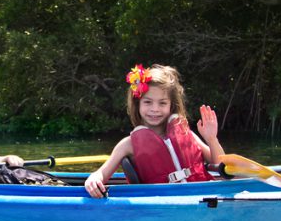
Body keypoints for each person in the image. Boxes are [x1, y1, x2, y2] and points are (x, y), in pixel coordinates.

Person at [84, 64, 225, 197]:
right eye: (148, 102)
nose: (155, 109)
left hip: (201, 198)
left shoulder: (187, 134)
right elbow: (101, 173)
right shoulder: (127, 145)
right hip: (161, 207)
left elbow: (222, 165)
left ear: (171, 105)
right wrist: (93, 181)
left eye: (162, 103)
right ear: (137, 104)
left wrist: (212, 139)